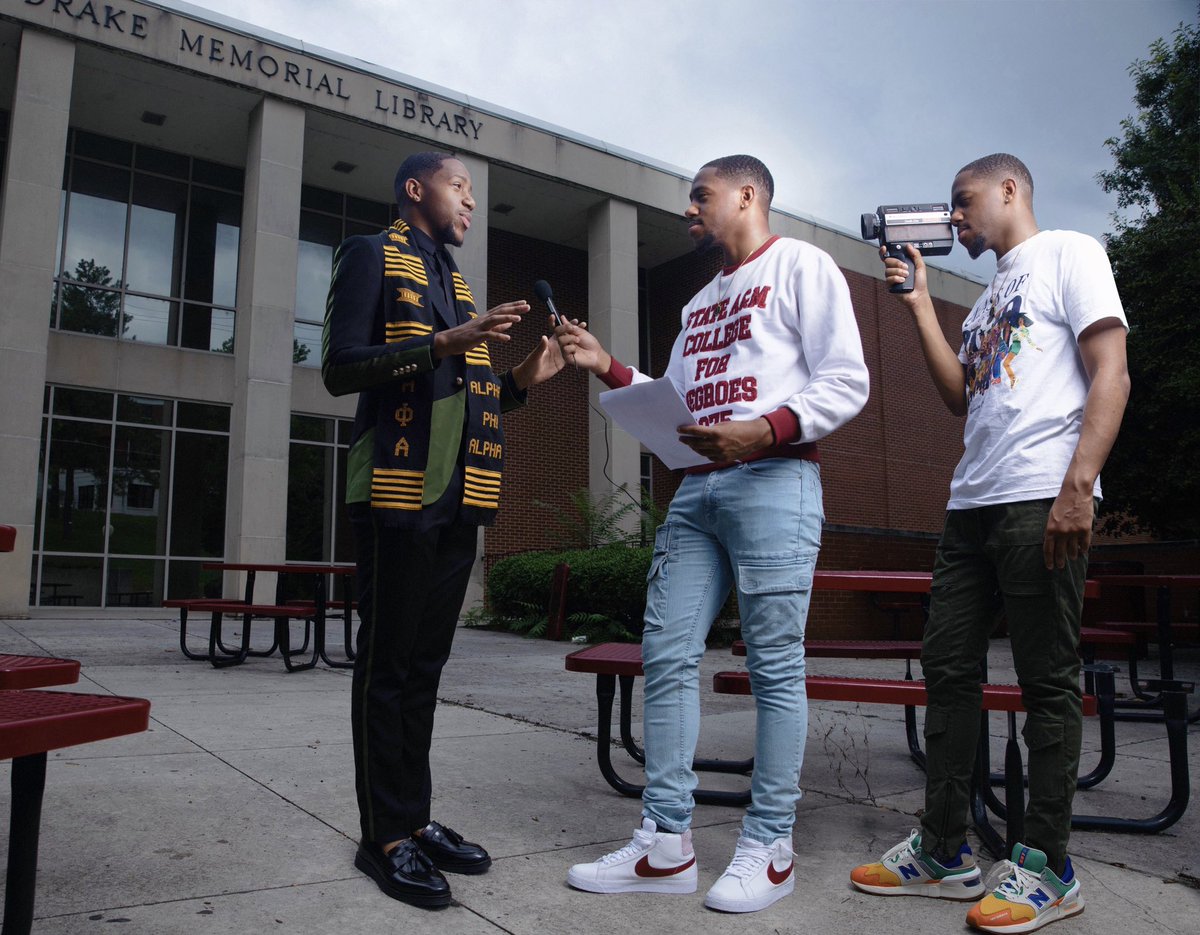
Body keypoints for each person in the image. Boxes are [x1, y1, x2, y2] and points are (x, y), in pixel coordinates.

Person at [560, 154, 869, 913]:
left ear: (747, 194)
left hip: (776, 476)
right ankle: (665, 844)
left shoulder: (801, 264)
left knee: (773, 662)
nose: (688, 210)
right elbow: (676, 401)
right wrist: (607, 365)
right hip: (698, 491)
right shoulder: (699, 304)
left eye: (699, 196)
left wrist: (762, 430)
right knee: (664, 653)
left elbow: (847, 377)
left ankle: (770, 846)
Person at [849, 153, 1130, 933]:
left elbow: (1112, 370)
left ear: (1010, 189)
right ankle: (944, 847)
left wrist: (1080, 486)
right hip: (971, 503)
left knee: (1046, 680)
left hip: (1041, 497)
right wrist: (917, 306)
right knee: (947, 667)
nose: (953, 218)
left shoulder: (1071, 253)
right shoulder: (981, 303)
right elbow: (959, 397)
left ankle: (1048, 865)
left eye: (962, 202)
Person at [322, 151, 562, 909]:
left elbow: (466, 397)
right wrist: (442, 343)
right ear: (414, 190)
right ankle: (382, 836)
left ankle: (414, 819)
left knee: (423, 667)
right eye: (461, 187)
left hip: (459, 496)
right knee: (386, 666)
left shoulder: (457, 285)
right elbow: (340, 367)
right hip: (395, 487)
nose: (470, 203)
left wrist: (524, 378)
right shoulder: (370, 254)